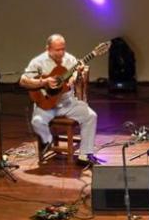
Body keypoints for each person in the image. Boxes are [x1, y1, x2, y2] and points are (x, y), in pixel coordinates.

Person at [20, 34, 101, 165]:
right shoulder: (38, 62)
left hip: (67, 102)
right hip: (46, 104)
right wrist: (44, 82)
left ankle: (85, 155)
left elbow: (75, 75)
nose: (61, 53)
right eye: (57, 50)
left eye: (63, 49)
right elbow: (23, 81)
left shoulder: (70, 59)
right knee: (37, 122)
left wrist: (75, 75)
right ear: (48, 49)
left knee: (91, 116)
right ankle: (48, 140)